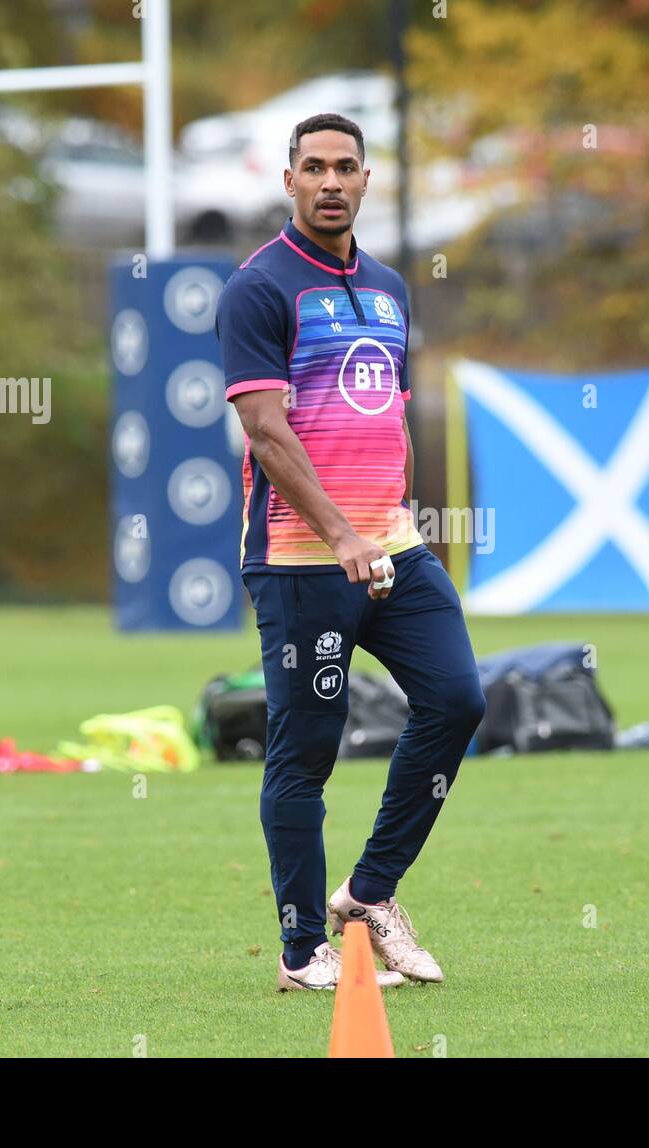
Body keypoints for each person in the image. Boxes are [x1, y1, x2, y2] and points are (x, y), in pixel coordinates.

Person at [215, 112, 486, 992]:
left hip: (395, 550)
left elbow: (389, 419)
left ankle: (369, 896)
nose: (331, 181)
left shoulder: (392, 289)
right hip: (303, 561)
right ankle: (301, 953)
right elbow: (265, 430)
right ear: (289, 182)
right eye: (314, 167)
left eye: (346, 168)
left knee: (457, 700)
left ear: (368, 182)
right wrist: (339, 534)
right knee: (307, 755)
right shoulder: (259, 289)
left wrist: (389, 525)